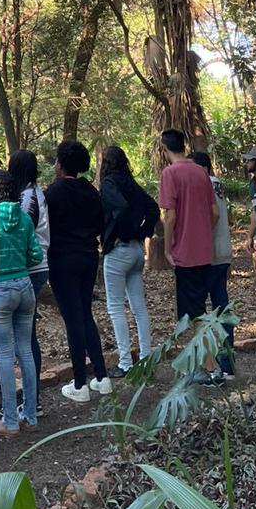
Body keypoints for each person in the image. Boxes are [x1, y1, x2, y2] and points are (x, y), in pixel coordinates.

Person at [46, 139, 111, 403]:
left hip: (62, 259)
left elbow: (45, 227)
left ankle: (80, 383)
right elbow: (101, 223)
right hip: (89, 256)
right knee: (84, 313)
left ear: (61, 163)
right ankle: (102, 376)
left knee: (72, 318)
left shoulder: (53, 192)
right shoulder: (91, 191)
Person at [0, 170, 42, 437]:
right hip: (25, 287)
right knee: (25, 351)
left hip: (0, 290)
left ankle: (9, 421)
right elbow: (36, 254)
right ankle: (30, 415)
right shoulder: (25, 219)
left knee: (4, 355)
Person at [100, 145, 158, 377]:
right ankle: (146, 358)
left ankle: (125, 362)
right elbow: (152, 207)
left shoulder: (109, 184)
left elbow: (121, 207)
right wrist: (142, 232)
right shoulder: (131, 184)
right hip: (136, 251)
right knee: (139, 307)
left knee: (115, 307)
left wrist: (120, 234)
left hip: (119, 251)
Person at [158, 129, 218, 330]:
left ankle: (206, 351)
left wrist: (167, 249)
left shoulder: (169, 173)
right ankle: (208, 349)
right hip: (204, 251)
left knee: (192, 315)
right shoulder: (201, 172)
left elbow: (170, 216)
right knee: (200, 305)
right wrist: (203, 231)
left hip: (184, 252)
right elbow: (215, 212)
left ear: (164, 148)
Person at [8, 148, 50, 415]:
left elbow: (22, 234)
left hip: (31, 268)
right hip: (37, 267)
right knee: (25, 335)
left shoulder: (27, 200)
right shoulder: (35, 193)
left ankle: (32, 401)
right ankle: (31, 398)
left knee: (25, 337)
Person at [192, 151, 235, 380]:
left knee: (201, 307)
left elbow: (212, 215)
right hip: (223, 251)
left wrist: (198, 236)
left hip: (208, 253)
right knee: (222, 304)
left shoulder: (204, 184)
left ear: (203, 168)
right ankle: (227, 362)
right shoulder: (218, 184)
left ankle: (210, 363)